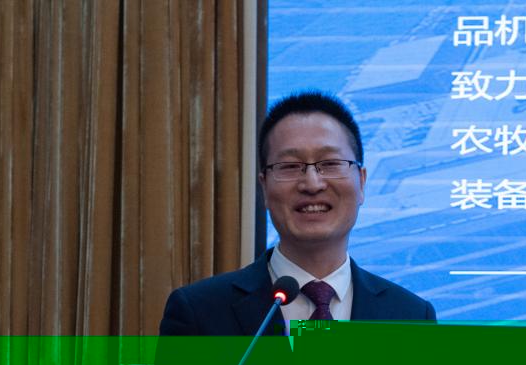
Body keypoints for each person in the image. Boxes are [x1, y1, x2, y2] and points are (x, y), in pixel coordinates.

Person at [158, 90, 437, 341]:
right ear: (264, 188)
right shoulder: (198, 311)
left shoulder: (411, 317)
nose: (312, 184)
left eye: (330, 163)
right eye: (290, 166)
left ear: (361, 182)